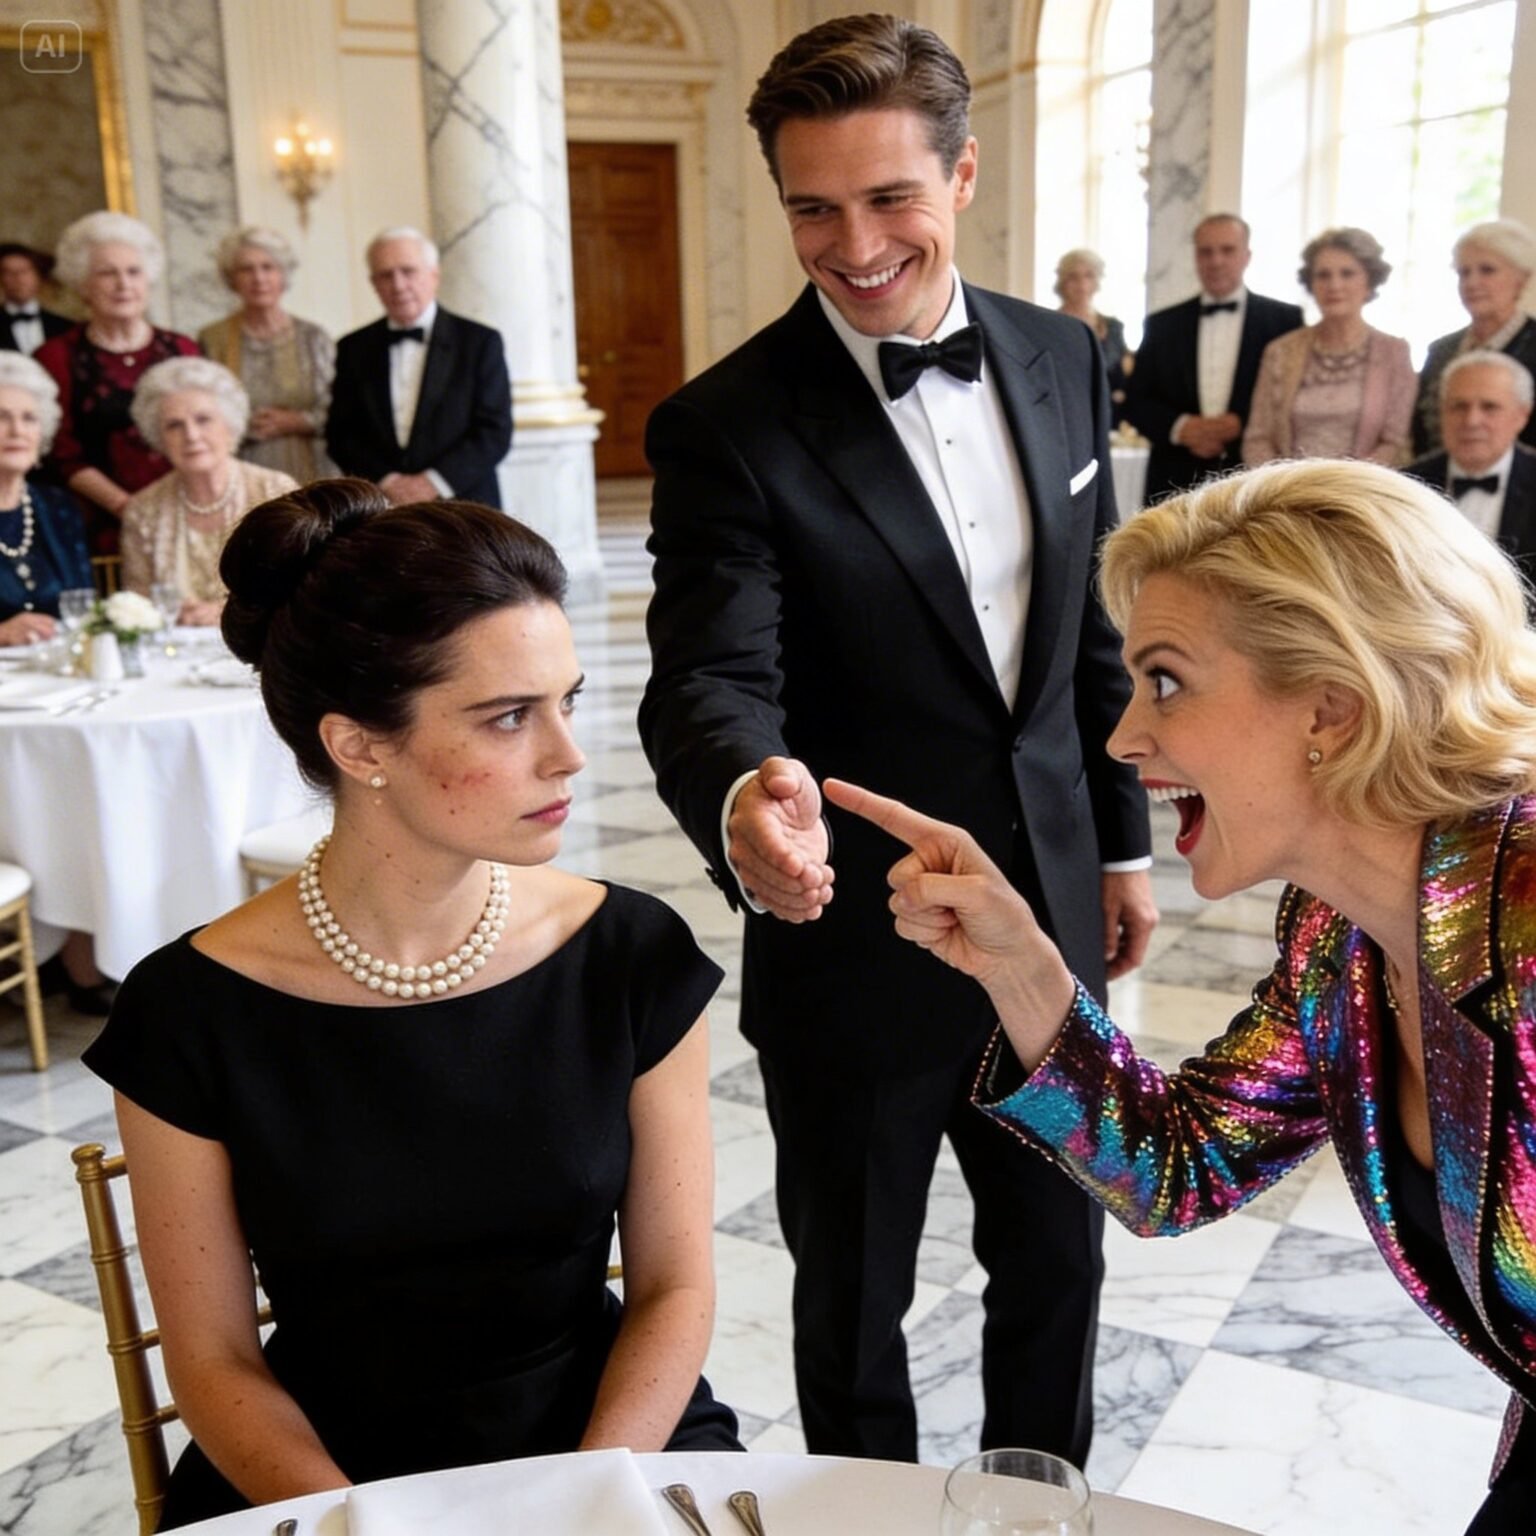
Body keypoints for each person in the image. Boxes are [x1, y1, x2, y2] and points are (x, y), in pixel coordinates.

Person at [827, 457, 1536, 1534]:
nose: (1122, 738)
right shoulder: (1336, 936)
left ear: (1331, 705)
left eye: (1164, 681)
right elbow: (1180, 1167)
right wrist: (1023, 967)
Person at [639, 14, 1155, 1468]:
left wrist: (1117, 845)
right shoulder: (725, 424)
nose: (854, 246)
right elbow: (707, 677)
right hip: (854, 937)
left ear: (964, 176)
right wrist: (745, 800)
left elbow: (1090, 631)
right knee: (856, 1295)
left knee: (1058, 1264)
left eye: (889, 199)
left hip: (1049, 910)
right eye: (814, 208)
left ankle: (1040, 1506)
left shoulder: (1061, 353)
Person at [83, 478, 740, 1528]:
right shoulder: (188, 1013)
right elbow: (212, 1363)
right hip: (322, 1473)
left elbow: (675, 1291)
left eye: (566, 701)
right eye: (509, 717)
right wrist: (365, 1526)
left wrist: (586, 1496)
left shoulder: (627, 955)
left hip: (608, 1435)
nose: (569, 754)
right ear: (359, 747)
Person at [33, 212, 200, 553]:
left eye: (133, 271)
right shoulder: (55, 356)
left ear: (148, 279)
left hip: (184, 514)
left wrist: (170, 508)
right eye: (107, 273)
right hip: (94, 525)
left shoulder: (183, 348)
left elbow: (207, 431)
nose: (123, 284)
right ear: (83, 284)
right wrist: (128, 508)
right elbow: (58, 450)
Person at [325, 227, 512, 508]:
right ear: (373, 283)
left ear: (434, 275)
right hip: (381, 507)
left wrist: (431, 483)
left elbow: (494, 430)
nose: (398, 285)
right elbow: (341, 433)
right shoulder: (352, 347)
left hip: (466, 506)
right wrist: (388, 482)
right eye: (386, 275)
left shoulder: (480, 341)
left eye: (408, 271)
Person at [1127, 213, 1304, 503]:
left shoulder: (1285, 321)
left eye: (1227, 250)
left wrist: (1241, 422)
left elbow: (1293, 399)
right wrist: (1182, 428)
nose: (1216, 261)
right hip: (1174, 479)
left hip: (1255, 480)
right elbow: (1136, 401)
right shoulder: (1162, 324)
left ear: (1247, 256)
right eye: (1205, 252)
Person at [120, 357, 296, 624]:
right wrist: (174, 616)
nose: (191, 435)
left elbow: (297, 587)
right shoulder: (143, 510)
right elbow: (138, 606)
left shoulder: (274, 491)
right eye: (174, 425)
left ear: (229, 425)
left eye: (203, 420)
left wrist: (226, 612)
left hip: (263, 642)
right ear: (159, 437)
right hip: (176, 646)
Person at [1243, 227, 1416, 466]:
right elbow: (1257, 439)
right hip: (1289, 486)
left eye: (1347, 274)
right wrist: (1285, 484)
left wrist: (1345, 484)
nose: (1334, 285)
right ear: (1310, 283)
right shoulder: (1280, 351)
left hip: (1365, 485)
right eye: (1323, 275)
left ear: (1369, 281)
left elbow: (1394, 442)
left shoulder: (1395, 353)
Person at [197, 226, 338, 484]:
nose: (259, 278)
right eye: (246, 269)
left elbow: (341, 410)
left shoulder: (313, 337)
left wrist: (297, 422)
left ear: (283, 275)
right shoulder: (212, 339)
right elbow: (201, 410)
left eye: (268, 267)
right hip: (240, 475)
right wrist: (245, 426)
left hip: (313, 470)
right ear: (231, 279)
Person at [1406, 351, 1536, 586]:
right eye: (1459, 406)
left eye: (1489, 407)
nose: (1472, 421)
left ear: (1522, 415)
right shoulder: (1407, 484)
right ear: (1441, 411)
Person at [1413, 220, 1536, 457]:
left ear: (1521, 279)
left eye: (1487, 270)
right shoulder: (1441, 351)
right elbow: (1421, 436)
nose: (1471, 283)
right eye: (1463, 273)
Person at [0, 352, 91, 645]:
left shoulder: (59, 507)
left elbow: (83, 606)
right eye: (1, 417)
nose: (17, 431)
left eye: (29, 418)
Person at [1053, 248, 1131, 424]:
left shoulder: (1113, 328)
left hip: (1108, 419)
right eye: (1073, 277)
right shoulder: (1048, 325)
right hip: (1063, 416)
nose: (1082, 283)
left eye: (1088, 275)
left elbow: (1122, 380)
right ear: (1062, 282)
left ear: (1097, 281)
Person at [0, 243, 72, 356]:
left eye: (24, 271)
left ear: (38, 275)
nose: (18, 278)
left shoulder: (65, 327)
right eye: (8, 272)